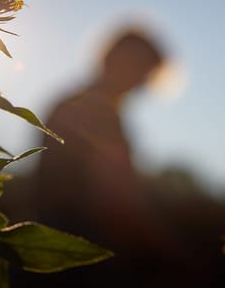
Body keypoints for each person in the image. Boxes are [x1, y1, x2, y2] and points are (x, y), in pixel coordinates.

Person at [34, 27, 180, 285]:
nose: (140, 82)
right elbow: (116, 200)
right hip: (75, 255)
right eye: (138, 68)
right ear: (112, 58)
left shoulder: (75, 103)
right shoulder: (93, 111)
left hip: (55, 248)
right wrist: (170, 257)